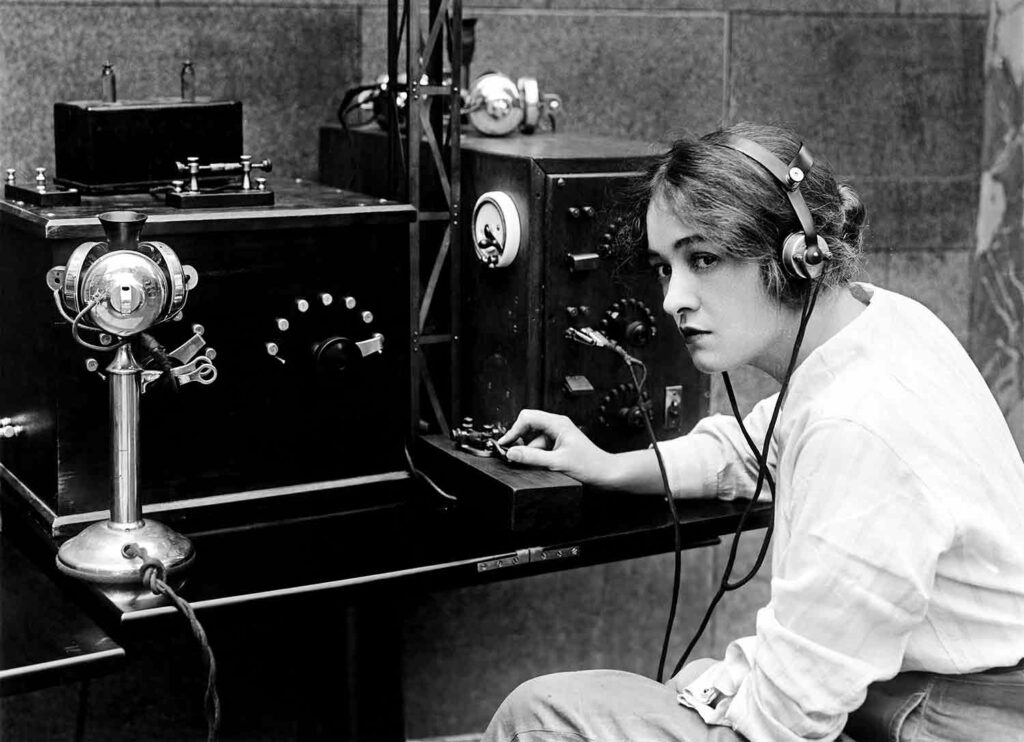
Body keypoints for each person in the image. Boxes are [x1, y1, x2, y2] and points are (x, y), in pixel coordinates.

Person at [481, 122, 1024, 742]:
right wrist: (607, 463)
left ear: (795, 257)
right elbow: (746, 448)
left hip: (944, 720)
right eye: (666, 267)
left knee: (540, 716)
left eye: (704, 259)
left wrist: (722, 688)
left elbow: (784, 721)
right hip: (903, 687)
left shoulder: (858, 427)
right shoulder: (881, 324)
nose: (672, 300)